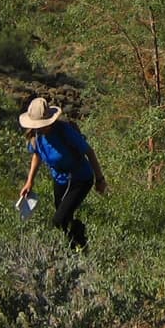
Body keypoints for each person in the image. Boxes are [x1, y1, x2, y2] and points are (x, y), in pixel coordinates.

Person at [18, 97, 104, 250]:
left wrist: (100, 179)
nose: (39, 128)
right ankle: (74, 250)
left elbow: (89, 152)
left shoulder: (64, 131)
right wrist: (29, 181)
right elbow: (36, 155)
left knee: (58, 220)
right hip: (59, 179)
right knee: (63, 220)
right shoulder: (36, 137)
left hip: (80, 178)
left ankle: (80, 238)